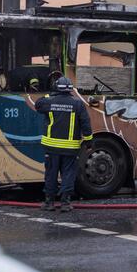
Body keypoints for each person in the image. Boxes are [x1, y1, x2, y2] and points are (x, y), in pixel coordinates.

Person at [34, 77, 93, 212]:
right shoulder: (78, 104)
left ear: (57, 88)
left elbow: (38, 104)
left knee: (51, 174)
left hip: (51, 148)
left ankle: (49, 203)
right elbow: (85, 123)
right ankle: (65, 203)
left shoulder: (49, 101)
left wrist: (50, 94)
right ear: (70, 89)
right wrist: (89, 141)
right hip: (70, 149)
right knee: (68, 174)